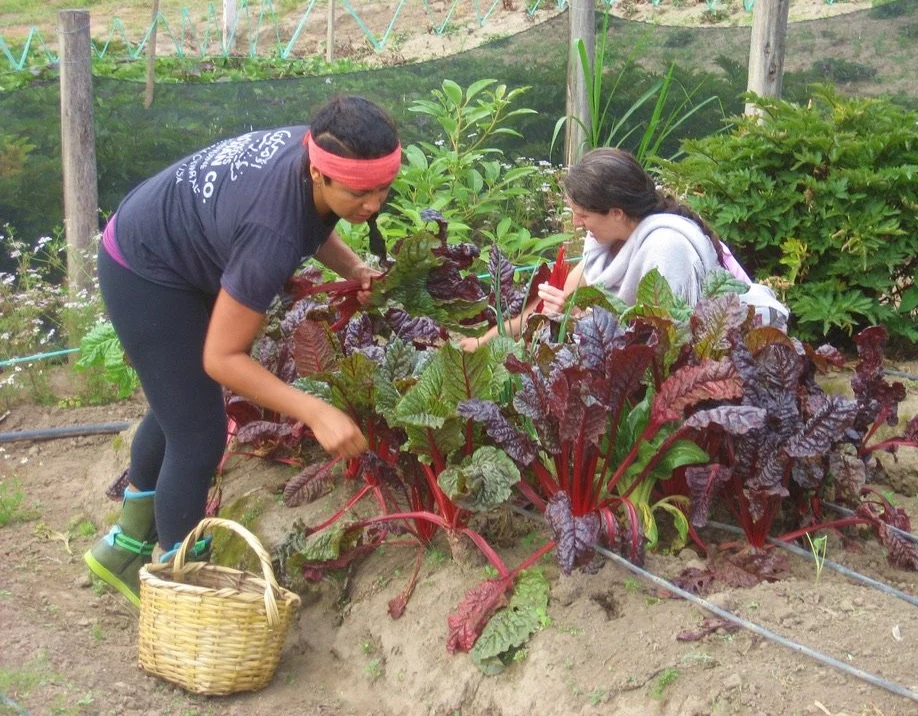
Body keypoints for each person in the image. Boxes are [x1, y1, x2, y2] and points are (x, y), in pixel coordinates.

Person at [84, 95, 400, 606]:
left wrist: (356, 269)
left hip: (170, 241)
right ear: (318, 172)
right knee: (198, 434)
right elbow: (222, 360)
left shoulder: (322, 151)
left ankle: (124, 548)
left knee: (177, 403)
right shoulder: (270, 232)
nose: (374, 205)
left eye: (383, 188)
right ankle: (180, 588)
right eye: (360, 193)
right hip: (145, 268)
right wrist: (316, 411)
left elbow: (310, 222)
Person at [463, 147, 787, 350]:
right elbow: (555, 300)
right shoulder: (603, 244)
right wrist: (483, 341)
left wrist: (576, 318)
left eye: (583, 215)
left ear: (616, 213)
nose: (576, 223)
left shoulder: (667, 250)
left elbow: (670, 344)